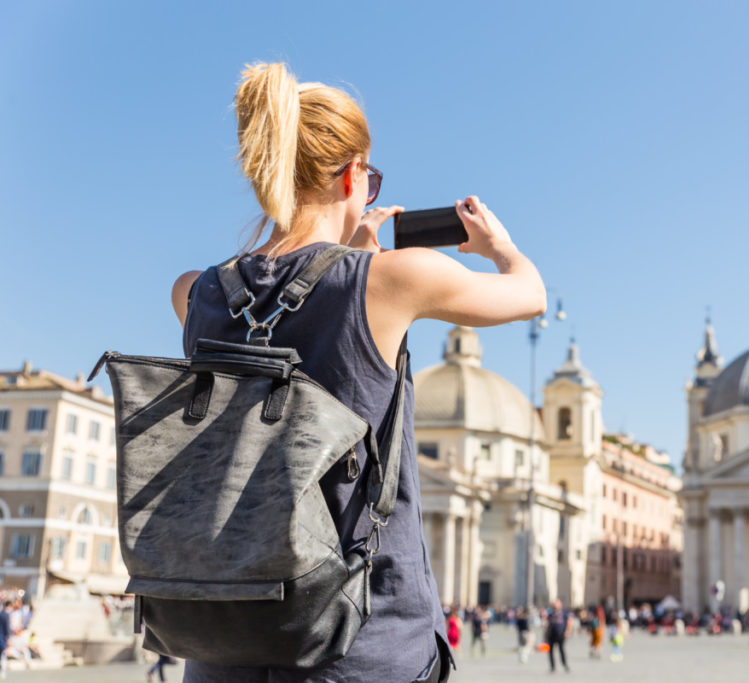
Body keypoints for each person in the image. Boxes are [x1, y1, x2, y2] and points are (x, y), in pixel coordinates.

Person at [171, 61, 546, 683]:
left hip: (223, 641)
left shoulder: (194, 294)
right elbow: (528, 293)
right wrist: (498, 245)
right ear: (354, 176)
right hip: (360, 642)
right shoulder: (393, 280)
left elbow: (291, 317)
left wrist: (358, 261)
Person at [544, 599, 572, 673]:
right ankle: (552, 666)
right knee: (550, 651)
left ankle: (565, 664)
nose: (555, 605)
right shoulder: (551, 612)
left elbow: (569, 621)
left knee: (561, 650)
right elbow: (547, 622)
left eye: (556, 604)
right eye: (554, 604)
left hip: (561, 634)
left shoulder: (564, 612)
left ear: (560, 604)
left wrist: (567, 631)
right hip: (551, 634)